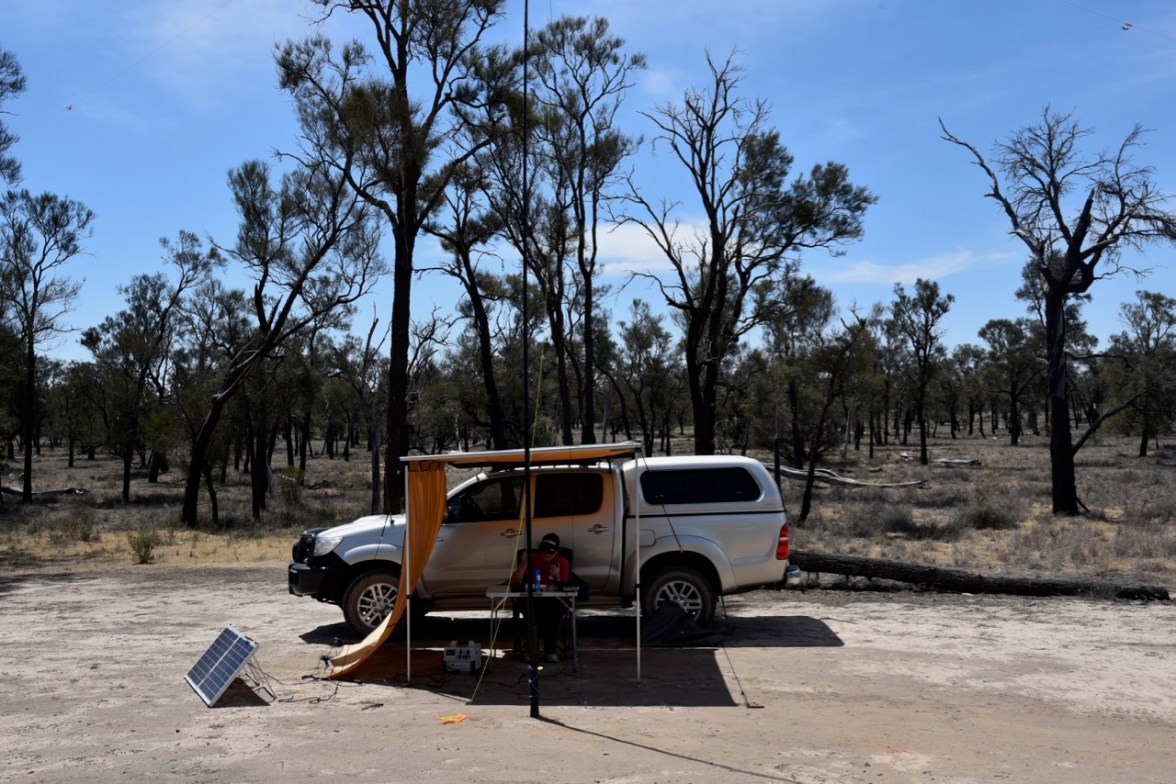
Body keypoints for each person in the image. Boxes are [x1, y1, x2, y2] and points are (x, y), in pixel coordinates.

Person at [511, 533, 570, 662]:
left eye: (550, 552)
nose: (546, 555)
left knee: (555, 609)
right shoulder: (531, 558)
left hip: (553, 599)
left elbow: (565, 589)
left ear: (556, 552)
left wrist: (557, 577)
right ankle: (531, 649)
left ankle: (551, 651)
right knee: (530, 608)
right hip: (533, 597)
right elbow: (515, 582)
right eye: (544, 551)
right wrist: (523, 564)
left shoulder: (561, 562)